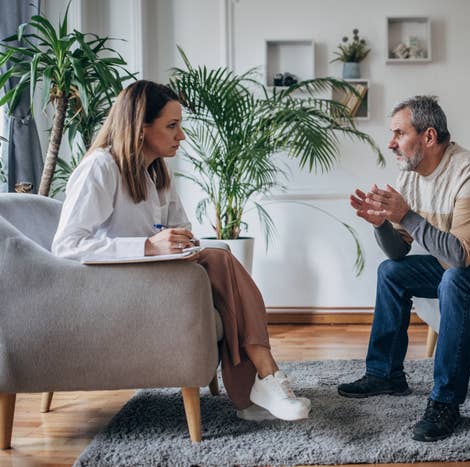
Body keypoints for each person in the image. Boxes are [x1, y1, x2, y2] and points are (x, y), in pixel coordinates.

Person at [52, 80, 310, 422]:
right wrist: (147, 245)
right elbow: (66, 245)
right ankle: (263, 382)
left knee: (218, 261)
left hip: (155, 276)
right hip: (111, 285)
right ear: (140, 128)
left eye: (180, 126)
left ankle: (255, 393)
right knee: (220, 258)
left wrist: (179, 243)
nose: (181, 136)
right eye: (172, 126)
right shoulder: (100, 167)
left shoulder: (157, 172)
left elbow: (180, 230)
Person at [338, 96, 470, 441]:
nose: (390, 143)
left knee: (455, 280)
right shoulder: (409, 177)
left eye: (399, 134)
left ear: (429, 137)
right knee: (391, 274)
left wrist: (405, 215)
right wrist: (382, 225)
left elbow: (460, 256)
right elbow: (397, 254)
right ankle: (385, 374)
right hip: (467, 265)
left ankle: (446, 402)